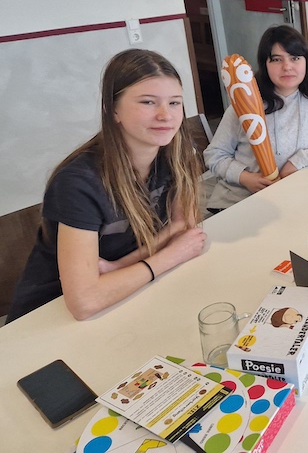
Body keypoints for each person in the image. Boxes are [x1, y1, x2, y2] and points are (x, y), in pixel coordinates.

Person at [7, 49, 206, 322]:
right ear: (112, 110)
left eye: (174, 103)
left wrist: (120, 266)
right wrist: (169, 256)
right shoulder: (78, 183)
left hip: (129, 291)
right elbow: (84, 301)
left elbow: (184, 226)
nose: (166, 115)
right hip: (49, 314)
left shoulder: (175, 152)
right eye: (148, 102)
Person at [205, 25, 308, 210]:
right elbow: (214, 155)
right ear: (265, 64)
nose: (287, 66)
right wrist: (246, 178)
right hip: (240, 201)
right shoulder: (243, 107)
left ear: (306, 61)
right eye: (276, 59)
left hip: (296, 198)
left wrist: (299, 161)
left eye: (295, 58)